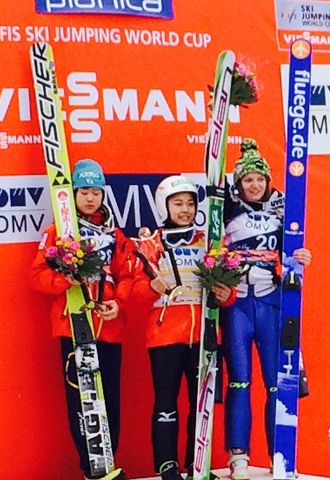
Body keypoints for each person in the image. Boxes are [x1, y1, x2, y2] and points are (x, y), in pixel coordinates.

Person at [31, 158, 134, 480]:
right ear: (73, 194)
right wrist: (66, 280)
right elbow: (36, 276)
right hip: (73, 326)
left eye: (96, 192)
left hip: (109, 328)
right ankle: (90, 468)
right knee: (82, 399)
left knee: (111, 400)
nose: (90, 198)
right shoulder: (58, 233)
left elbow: (129, 275)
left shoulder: (114, 235)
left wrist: (118, 303)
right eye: (84, 191)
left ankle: (108, 462)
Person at [131, 175, 235, 480]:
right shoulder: (151, 243)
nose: (185, 210)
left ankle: (196, 465)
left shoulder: (209, 242)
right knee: (166, 401)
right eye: (178, 204)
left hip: (203, 334)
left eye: (190, 203)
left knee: (199, 403)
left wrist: (227, 294)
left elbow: (228, 291)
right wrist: (151, 285)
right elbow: (135, 287)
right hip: (165, 334)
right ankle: (166, 464)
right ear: (165, 207)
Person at [221, 139, 311, 480]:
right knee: (240, 381)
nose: (254, 185)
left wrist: (301, 257)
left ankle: (279, 453)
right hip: (239, 304)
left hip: (272, 302)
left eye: (259, 179)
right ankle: (238, 456)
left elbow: (294, 251)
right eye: (248, 180)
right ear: (239, 184)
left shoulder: (283, 211)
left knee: (277, 383)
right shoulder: (227, 210)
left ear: (267, 181)